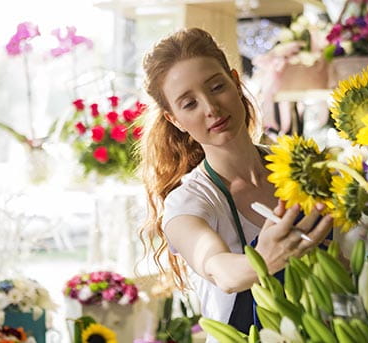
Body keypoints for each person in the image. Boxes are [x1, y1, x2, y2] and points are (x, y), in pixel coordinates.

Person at [138, 27, 333, 339]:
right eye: (189, 104)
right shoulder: (189, 202)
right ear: (174, 119)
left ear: (235, 81)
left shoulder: (301, 166)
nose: (211, 108)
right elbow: (218, 268)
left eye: (216, 87)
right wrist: (264, 260)